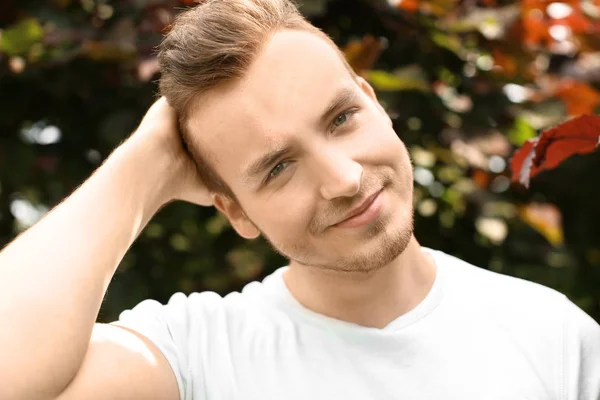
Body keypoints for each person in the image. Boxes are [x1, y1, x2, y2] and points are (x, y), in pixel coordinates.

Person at [1, 0, 599, 399]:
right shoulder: (197, 355)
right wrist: (146, 160)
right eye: (279, 167)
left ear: (375, 101)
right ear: (233, 209)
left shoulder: (552, 334)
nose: (343, 178)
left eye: (342, 118)